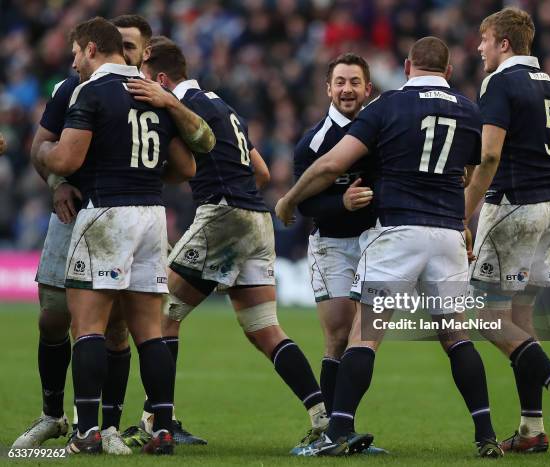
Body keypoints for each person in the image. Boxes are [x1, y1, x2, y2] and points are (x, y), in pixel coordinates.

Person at [276, 36, 502, 458]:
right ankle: (486, 434)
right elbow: (478, 164)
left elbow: (330, 165)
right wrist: (464, 216)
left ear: (405, 67)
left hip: (397, 232)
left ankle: (337, 431)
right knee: (457, 336)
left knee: (364, 338)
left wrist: (288, 199)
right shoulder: (471, 111)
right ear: (449, 71)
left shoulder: (387, 107)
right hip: (447, 235)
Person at [14, 15, 212, 453]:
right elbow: (186, 167)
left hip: (104, 213)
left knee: (88, 327)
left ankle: (87, 432)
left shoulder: (92, 91)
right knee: (149, 331)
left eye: (75, 56)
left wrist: (47, 151)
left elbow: (63, 158)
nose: (73, 66)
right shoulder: (153, 95)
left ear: (89, 49)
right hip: (152, 217)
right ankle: (161, 427)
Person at [127, 39, 329, 451]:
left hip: (222, 214)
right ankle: (322, 415)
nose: (144, 88)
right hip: (256, 218)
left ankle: (157, 420)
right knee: (264, 329)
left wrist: (221, 200)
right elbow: (262, 171)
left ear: (162, 79)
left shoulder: (180, 106)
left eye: (147, 81)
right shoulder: (224, 107)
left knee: (161, 313)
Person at [465, 7, 550, 454]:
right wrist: (544, 198)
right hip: (549, 213)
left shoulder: (499, 83)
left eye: (484, 40)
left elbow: (488, 157)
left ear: (503, 43)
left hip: (511, 209)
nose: (479, 49)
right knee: (520, 322)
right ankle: (531, 430)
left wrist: (463, 213)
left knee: (482, 315)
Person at [292, 53, 385, 455]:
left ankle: (341, 427)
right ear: (328, 89)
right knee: (339, 335)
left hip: (378, 242)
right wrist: (340, 205)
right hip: (332, 244)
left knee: (364, 339)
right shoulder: (313, 143)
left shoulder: (384, 133)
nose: (347, 89)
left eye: (354, 82)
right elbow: (305, 206)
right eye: (340, 82)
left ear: (368, 89)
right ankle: (330, 429)